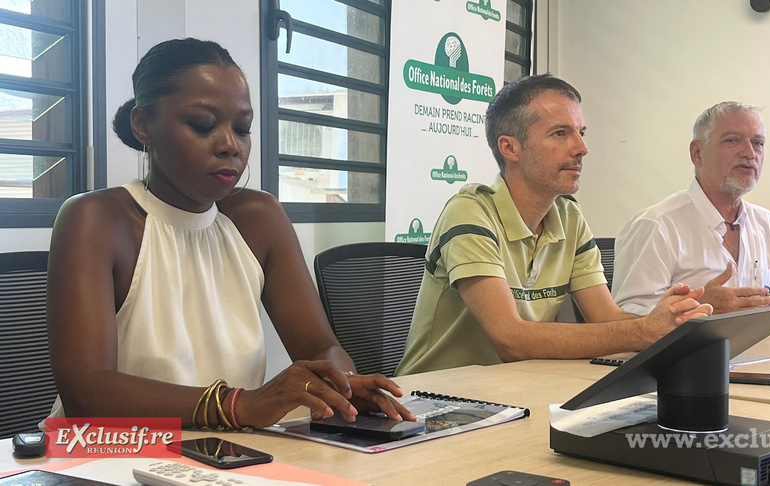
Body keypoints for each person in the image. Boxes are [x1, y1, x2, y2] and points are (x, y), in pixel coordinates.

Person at [45, 38, 413, 429]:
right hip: (107, 458)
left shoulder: (260, 219)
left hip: (229, 457)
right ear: (143, 125)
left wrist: (339, 383)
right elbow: (87, 393)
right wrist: (235, 406)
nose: (229, 145)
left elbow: (321, 346)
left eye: (242, 129)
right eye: (203, 125)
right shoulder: (95, 219)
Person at [394, 74, 713, 376]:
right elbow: (511, 340)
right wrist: (642, 331)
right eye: (560, 134)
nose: (581, 148)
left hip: (516, 390)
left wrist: (672, 320)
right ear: (510, 148)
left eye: (581, 132)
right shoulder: (469, 212)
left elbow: (608, 319)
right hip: (432, 402)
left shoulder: (569, 217)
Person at [613, 101, 770, 330]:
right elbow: (625, 320)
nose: (749, 153)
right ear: (697, 153)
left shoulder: (766, 224)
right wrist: (699, 307)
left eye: (758, 143)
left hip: (766, 358)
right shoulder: (658, 225)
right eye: (732, 140)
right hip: (689, 363)